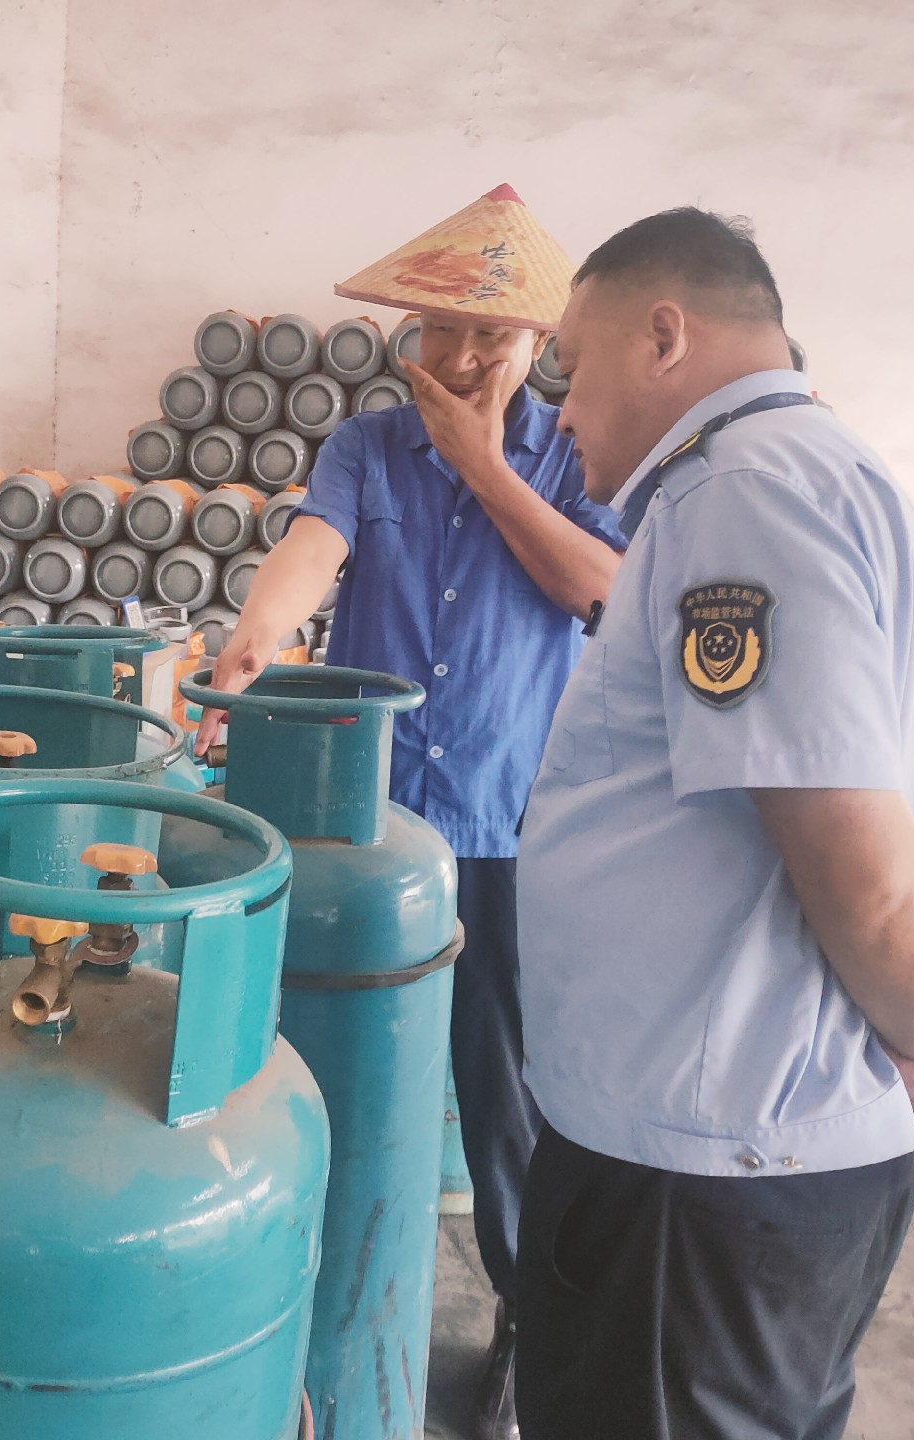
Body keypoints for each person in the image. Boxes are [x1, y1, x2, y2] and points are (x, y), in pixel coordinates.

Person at [511, 207, 914, 1438]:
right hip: (768, 1147)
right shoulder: (849, 478)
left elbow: (869, 869)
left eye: (572, 362)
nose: (556, 408)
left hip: (704, 1165)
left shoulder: (743, 497)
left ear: (663, 335)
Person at [199, 185, 625, 1440]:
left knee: (506, 1106)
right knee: (303, 1070)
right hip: (360, 829)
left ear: (539, 342)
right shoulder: (368, 447)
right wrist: (253, 643)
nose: (466, 355)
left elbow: (600, 588)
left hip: (504, 833)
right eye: (444, 328)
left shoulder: (579, 454)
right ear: (412, 335)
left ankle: (523, 1325)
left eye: (494, 332)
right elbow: (311, 552)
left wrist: (487, 470)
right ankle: (292, 1295)